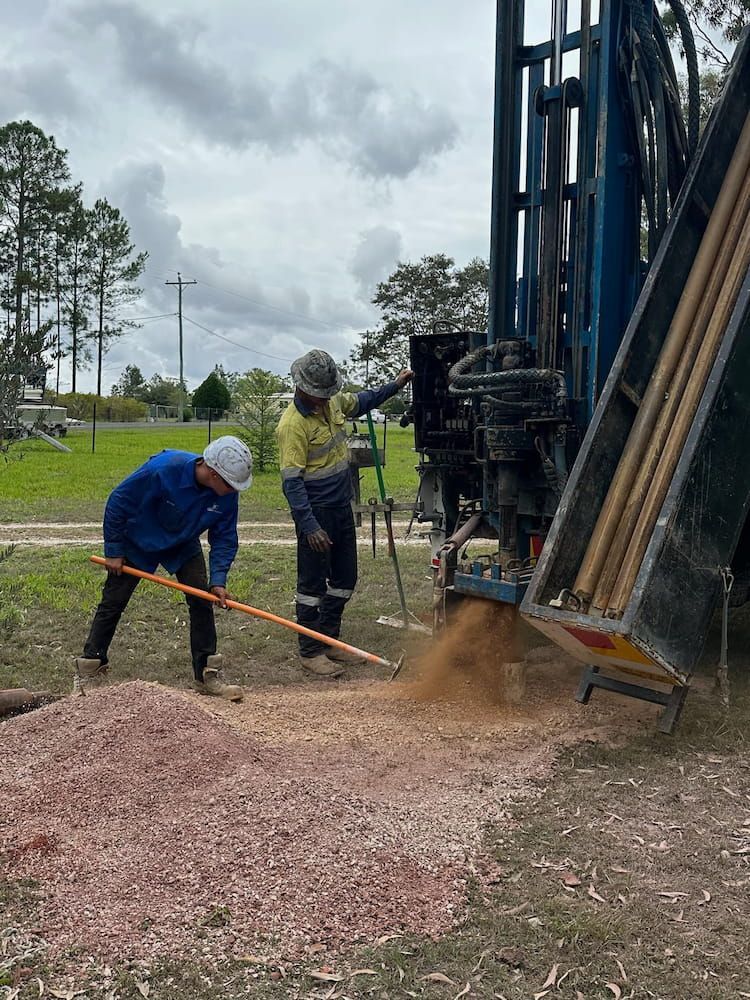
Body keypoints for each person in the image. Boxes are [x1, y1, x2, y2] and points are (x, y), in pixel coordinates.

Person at [74, 435, 253, 701]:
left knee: (202, 600)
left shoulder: (227, 495)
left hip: (182, 543)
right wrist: (113, 550)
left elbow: (225, 538)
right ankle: (89, 671)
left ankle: (207, 674)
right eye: (230, 484)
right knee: (113, 602)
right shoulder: (162, 469)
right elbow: (118, 502)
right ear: (214, 474)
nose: (233, 490)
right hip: (137, 540)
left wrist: (218, 580)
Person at [277, 349, 413, 678]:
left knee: (344, 579)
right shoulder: (292, 425)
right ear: (301, 387)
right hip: (316, 513)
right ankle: (310, 651)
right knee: (311, 586)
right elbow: (292, 484)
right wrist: (309, 526)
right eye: (318, 394)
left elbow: (364, 401)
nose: (324, 400)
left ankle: (329, 638)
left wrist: (395, 385)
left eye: (327, 394)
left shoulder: (334, 403)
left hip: (340, 507)